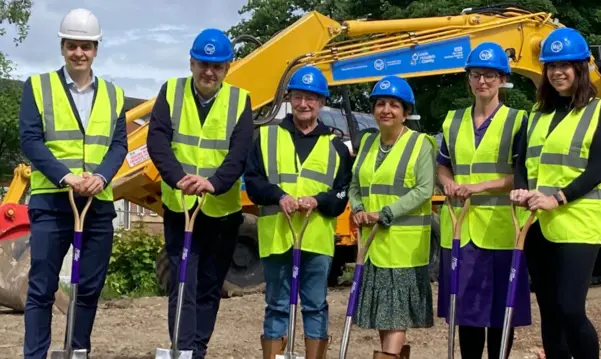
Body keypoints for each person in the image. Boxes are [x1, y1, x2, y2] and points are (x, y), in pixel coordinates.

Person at [18, 8, 128, 359]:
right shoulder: (38, 87)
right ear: (62, 47)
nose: (79, 52)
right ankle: (35, 355)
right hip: (52, 200)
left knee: (89, 288)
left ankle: (77, 351)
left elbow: (119, 145)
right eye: (72, 45)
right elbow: (31, 140)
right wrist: (64, 176)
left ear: (96, 48)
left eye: (86, 46)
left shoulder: (114, 94)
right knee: (42, 287)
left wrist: (101, 177)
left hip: (97, 204)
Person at [510, 27, 601, 359]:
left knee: (570, 308)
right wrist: (521, 190)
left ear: (581, 68)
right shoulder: (536, 114)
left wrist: (556, 197)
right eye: (551, 66)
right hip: (538, 224)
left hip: (579, 223)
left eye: (565, 65)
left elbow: (596, 170)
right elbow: (522, 162)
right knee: (551, 313)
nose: (558, 72)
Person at [146, 28, 254, 358]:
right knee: (182, 284)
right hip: (181, 208)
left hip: (221, 210)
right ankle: (183, 349)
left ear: (227, 68)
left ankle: (198, 350)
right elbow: (158, 141)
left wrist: (214, 183)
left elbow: (240, 153)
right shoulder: (171, 92)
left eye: (217, 66)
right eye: (203, 63)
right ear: (191, 62)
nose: (209, 71)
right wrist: (178, 177)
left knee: (209, 287)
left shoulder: (239, 100)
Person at [244, 65, 352, 358]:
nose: (304, 104)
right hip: (277, 236)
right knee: (277, 304)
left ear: (322, 103)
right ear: (289, 99)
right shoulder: (265, 139)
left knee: (315, 304)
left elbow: (341, 195)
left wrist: (317, 200)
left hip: (316, 240)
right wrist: (279, 197)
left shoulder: (337, 147)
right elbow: (253, 183)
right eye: (299, 97)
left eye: (312, 98)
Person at [436, 42, 532, 359]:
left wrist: (477, 187)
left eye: (490, 75)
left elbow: (520, 175)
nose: (483, 82)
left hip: (503, 230)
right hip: (461, 231)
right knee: (467, 312)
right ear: (469, 78)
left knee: (500, 313)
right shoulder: (453, 121)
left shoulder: (518, 121)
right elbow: (443, 164)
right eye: (477, 75)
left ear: (502, 79)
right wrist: (448, 182)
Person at [348, 75, 437, 359]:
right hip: (373, 245)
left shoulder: (419, 143)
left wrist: (386, 213)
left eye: (394, 105)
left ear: (405, 112)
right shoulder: (367, 143)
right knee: (383, 318)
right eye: (381, 104)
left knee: (396, 316)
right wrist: (358, 208)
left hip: (403, 247)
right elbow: (355, 184)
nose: (386, 109)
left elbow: (424, 189)